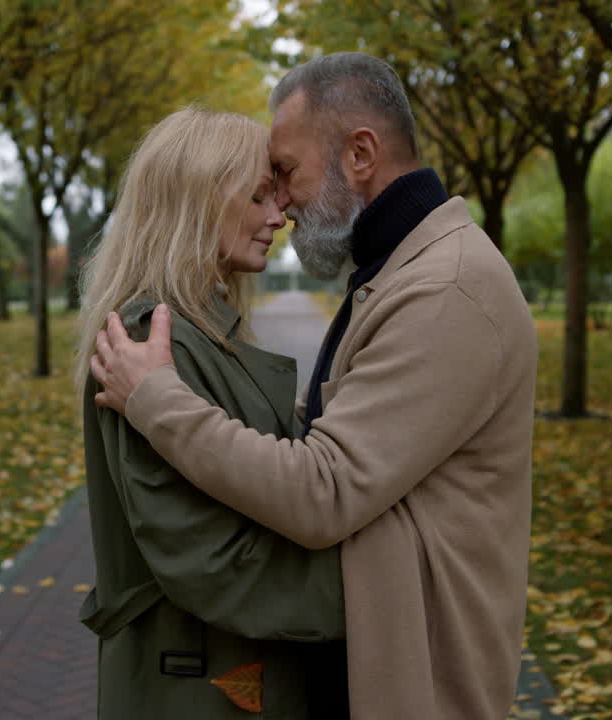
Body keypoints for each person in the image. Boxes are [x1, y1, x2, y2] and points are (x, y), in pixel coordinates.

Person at [89, 53, 538, 719]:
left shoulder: (447, 286)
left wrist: (158, 398)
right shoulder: (396, 271)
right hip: (369, 661)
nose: (286, 204)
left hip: (422, 674)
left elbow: (325, 488)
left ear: (360, 154)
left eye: (288, 174)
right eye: (261, 190)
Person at [75, 106, 348, 719]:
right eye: (256, 197)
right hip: (200, 682)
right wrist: (370, 588)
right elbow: (207, 558)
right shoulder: (152, 336)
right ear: (196, 202)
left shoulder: (199, 330)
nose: (278, 217)